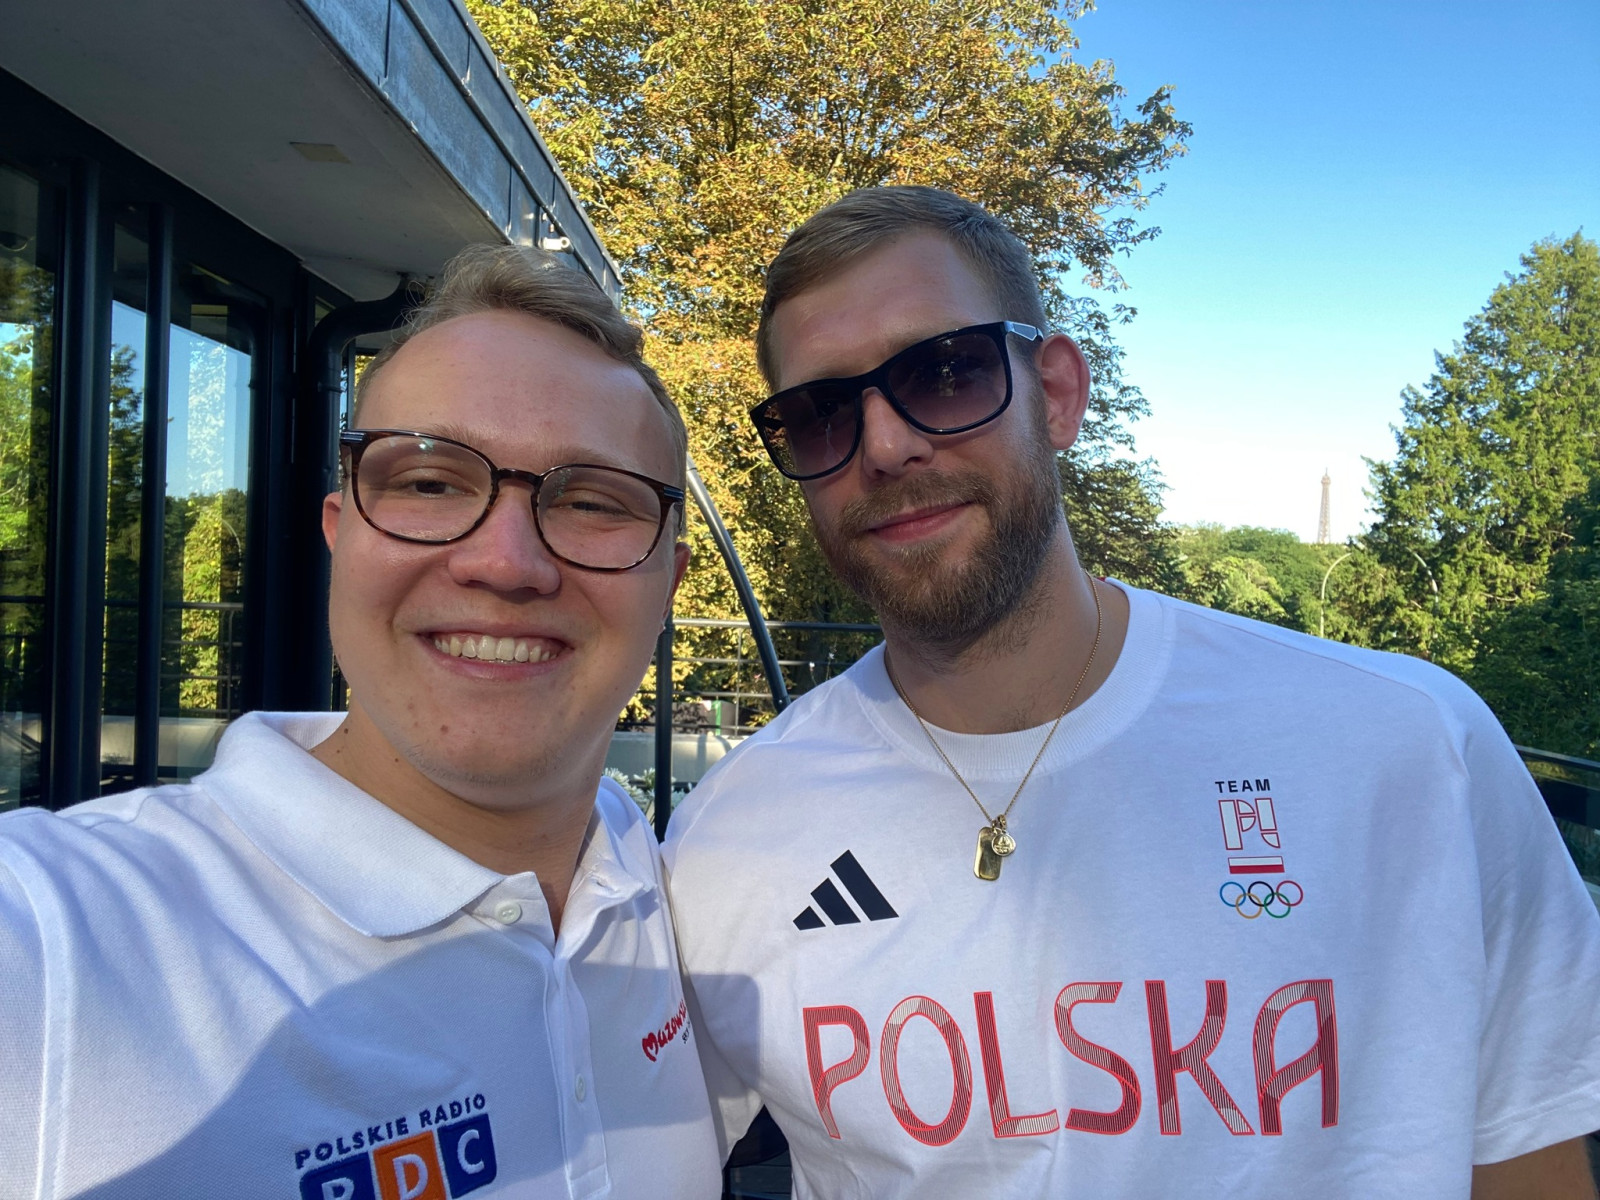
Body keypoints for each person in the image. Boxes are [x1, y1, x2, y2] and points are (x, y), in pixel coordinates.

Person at [663, 187, 1600, 1199]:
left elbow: (1530, 1164)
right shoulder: (733, 836)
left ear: (1057, 393)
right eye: (819, 416)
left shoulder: (1411, 748)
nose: (885, 446)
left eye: (945, 372)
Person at [0, 244, 719, 1198]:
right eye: (430, 484)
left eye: (591, 501)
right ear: (341, 534)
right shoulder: (58, 943)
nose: (506, 562)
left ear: (667, 583)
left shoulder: (645, 874)